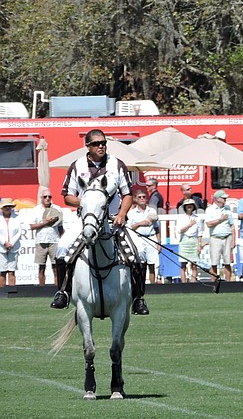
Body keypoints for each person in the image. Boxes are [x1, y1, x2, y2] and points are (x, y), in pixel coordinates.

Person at [49, 129, 149, 315]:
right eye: (96, 143)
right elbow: (67, 197)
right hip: (87, 220)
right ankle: (63, 292)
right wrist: (90, 204)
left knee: (140, 252)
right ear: (87, 146)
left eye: (103, 143)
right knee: (62, 248)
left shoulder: (117, 164)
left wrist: (121, 214)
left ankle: (138, 298)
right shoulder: (77, 166)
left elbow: (127, 194)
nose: (101, 146)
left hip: (113, 220)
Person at [126, 189, 160, 285]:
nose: (142, 199)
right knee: (140, 263)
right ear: (136, 199)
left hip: (151, 237)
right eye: (139, 197)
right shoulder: (132, 213)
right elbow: (129, 228)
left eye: (144, 197)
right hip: (138, 238)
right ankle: (141, 284)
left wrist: (159, 242)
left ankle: (152, 284)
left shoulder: (152, 210)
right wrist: (141, 223)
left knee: (151, 263)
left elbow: (157, 227)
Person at [30, 189, 63, 286]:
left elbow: (60, 226)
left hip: (54, 240)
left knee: (56, 267)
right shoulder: (36, 210)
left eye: (49, 196)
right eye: (45, 197)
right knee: (41, 268)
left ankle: (57, 288)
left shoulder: (57, 209)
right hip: (41, 241)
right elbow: (32, 226)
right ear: (41, 198)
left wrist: (63, 240)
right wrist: (45, 223)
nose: (47, 198)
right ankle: (41, 289)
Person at [205, 189, 235, 281]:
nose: (225, 199)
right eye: (223, 197)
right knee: (214, 262)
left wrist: (233, 240)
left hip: (227, 237)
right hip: (215, 238)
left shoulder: (227, 209)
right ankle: (214, 283)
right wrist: (220, 220)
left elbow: (232, 225)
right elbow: (208, 224)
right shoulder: (210, 210)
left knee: (227, 262)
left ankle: (228, 282)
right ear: (217, 199)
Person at [176, 199, 200, 282]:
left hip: (194, 240)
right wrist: (190, 225)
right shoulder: (181, 218)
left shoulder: (197, 218)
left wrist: (199, 245)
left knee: (194, 265)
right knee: (183, 265)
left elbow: (199, 233)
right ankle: (184, 283)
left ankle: (193, 283)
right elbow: (180, 230)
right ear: (185, 207)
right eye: (187, 205)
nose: (189, 206)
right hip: (184, 240)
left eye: (191, 205)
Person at [0, 200, 22, 287]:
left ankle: (12, 292)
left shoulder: (16, 217)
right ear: (2, 208)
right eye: (6, 206)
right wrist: (4, 243)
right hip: (1, 247)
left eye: (9, 206)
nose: (7, 208)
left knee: (11, 271)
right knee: (2, 271)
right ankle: (2, 293)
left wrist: (11, 243)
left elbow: (19, 232)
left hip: (14, 247)